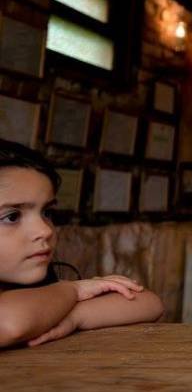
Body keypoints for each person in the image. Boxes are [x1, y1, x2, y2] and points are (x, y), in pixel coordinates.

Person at [0, 140, 163, 348]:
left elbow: (149, 303)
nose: (46, 230)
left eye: (47, 213)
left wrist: (72, 317)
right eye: (12, 217)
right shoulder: (64, 292)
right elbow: (10, 322)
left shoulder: (50, 293)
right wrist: (74, 290)